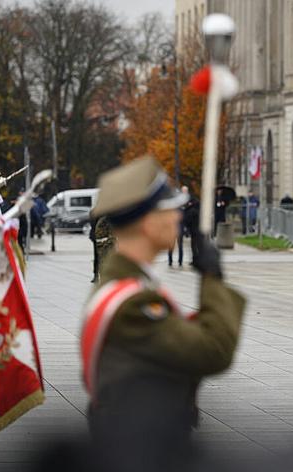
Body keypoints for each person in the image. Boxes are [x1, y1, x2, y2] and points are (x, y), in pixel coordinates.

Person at [81, 156, 246, 471]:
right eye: (169, 210)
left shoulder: (127, 285)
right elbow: (213, 351)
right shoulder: (134, 305)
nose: (178, 218)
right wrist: (213, 280)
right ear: (148, 222)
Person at [168, 185, 190, 267]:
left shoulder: (177, 209)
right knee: (173, 246)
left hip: (178, 229)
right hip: (175, 229)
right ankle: (172, 261)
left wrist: (186, 230)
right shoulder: (175, 209)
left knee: (178, 246)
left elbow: (184, 220)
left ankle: (177, 261)